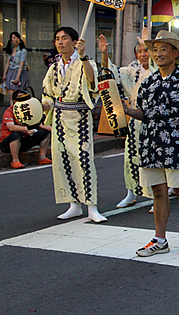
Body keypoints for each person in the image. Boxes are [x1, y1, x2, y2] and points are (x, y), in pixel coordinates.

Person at [127, 30, 179, 257]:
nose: (158, 54)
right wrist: (128, 112)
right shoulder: (148, 82)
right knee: (158, 192)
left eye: (163, 49)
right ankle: (160, 239)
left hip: (178, 144)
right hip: (151, 144)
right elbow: (145, 113)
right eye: (155, 50)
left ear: (175, 53)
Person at [41, 27, 106, 223]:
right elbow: (49, 93)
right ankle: (74, 204)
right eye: (57, 39)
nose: (60, 42)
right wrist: (43, 106)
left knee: (84, 160)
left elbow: (92, 81)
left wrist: (83, 56)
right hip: (60, 116)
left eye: (65, 38)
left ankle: (91, 206)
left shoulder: (84, 62)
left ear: (75, 41)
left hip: (79, 116)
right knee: (63, 161)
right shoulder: (54, 67)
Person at [99, 31, 154, 209]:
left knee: (152, 159)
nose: (143, 54)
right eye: (140, 51)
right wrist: (105, 54)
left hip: (154, 121)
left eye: (146, 50)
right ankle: (131, 193)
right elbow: (112, 73)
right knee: (131, 158)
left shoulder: (158, 69)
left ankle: (156, 197)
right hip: (134, 119)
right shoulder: (131, 70)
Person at [1, 90, 52, 168]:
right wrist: (26, 129)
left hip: (25, 140)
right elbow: (11, 127)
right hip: (8, 142)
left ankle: (42, 157)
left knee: (44, 133)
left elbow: (48, 107)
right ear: (15, 101)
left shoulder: (31, 110)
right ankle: (15, 161)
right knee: (16, 134)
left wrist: (37, 105)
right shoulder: (10, 111)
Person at [3, 32, 29, 104]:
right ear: (11, 39)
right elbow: (8, 63)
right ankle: (12, 111)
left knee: (19, 95)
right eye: (14, 38)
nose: (16, 40)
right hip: (11, 72)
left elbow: (21, 64)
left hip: (19, 72)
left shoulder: (23, 50)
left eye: (17, 38)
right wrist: (5, 74)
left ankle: (19, 111)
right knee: (11, 94)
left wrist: (17, 77)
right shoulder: (10, 50)